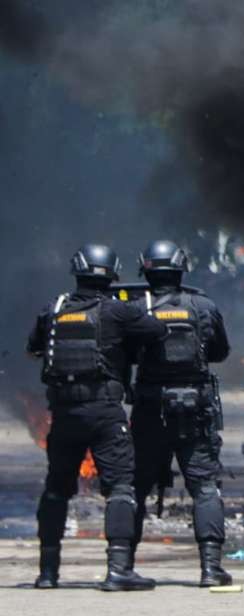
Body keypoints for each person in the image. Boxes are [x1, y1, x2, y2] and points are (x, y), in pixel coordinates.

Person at [27, 244, 167, 591]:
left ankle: (47, 573)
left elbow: (34, 349)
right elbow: (157, 331)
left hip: (64, 414)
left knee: (56, 490)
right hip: (104, 411)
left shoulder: (54, 309)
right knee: (120, 487)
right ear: (113, 272)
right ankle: (118, 569)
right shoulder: (117, 312)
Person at [129, 240, 233, 586]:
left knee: (136, 487)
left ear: (146, 269)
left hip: (148, 410)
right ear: (180, 269)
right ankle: (209, 569)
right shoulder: (202, 305)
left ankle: (122, 566)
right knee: (204, 487)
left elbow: (120, 354)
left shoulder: (132, 308)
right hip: (194, 410)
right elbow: (220, 352)